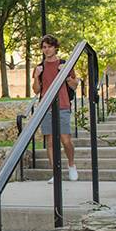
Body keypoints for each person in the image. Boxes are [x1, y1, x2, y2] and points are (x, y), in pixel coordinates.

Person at [32, 34, 79, 183]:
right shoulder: (39, 67)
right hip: (46, 107)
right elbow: (36, 90)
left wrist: (65, 74)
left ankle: (71, 165)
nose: (46, 50)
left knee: (66, 140)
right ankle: (55, 173)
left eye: (49, 46)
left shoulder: (65, 64)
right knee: (51, 142)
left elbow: (74, 85)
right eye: (44, 47)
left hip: (63, 104)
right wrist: (36, 76)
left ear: (55, 48)